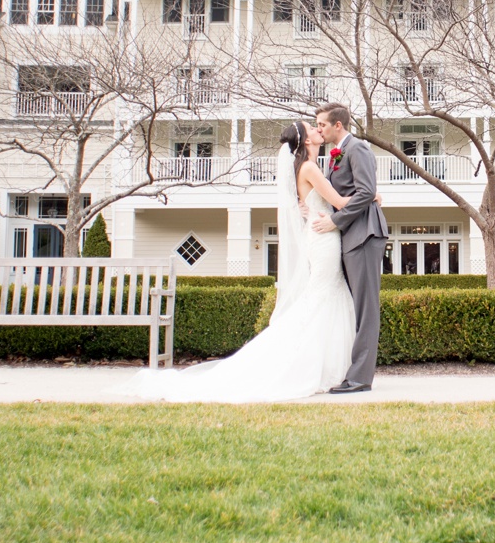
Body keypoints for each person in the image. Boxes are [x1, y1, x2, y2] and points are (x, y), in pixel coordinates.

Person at [114, 120, 356, 403]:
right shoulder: (310, 168)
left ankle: (322, 367)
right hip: (323, 240)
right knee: (321, 299)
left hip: (319, 235)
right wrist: (369, 196)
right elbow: (339, 203)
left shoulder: (304, 167)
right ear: (305, 140)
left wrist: (312, 210)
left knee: (322, 298)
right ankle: (310, 368)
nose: (319, 130)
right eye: (312, 129)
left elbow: (310, 205)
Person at [309, 103, 388, 393]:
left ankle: (360, 379)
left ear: (338, 125)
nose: (319, 129)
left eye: (322, 124)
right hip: (350, 236)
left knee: (366, 309)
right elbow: (354, 191)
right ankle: (351, 371)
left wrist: (335, 221)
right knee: (354, 308)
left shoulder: (358, 148)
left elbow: (366, 191)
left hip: (365, 235)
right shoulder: (336, 155)